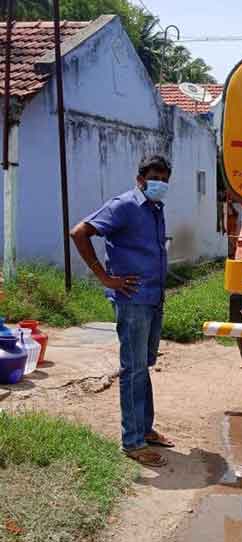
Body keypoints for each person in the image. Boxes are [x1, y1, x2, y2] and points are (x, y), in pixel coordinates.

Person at [70, 155, 174, 468]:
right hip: (132, 300)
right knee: (133, 368)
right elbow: (80, 232)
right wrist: (104, 276)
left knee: (144, 365)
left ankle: (144, 429)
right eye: (155, 177)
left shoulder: (155, 208)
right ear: (141, 178)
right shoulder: (124, 205)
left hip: (153, 297)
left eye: (165, 178)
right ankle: (132, 442)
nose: (161, 183)